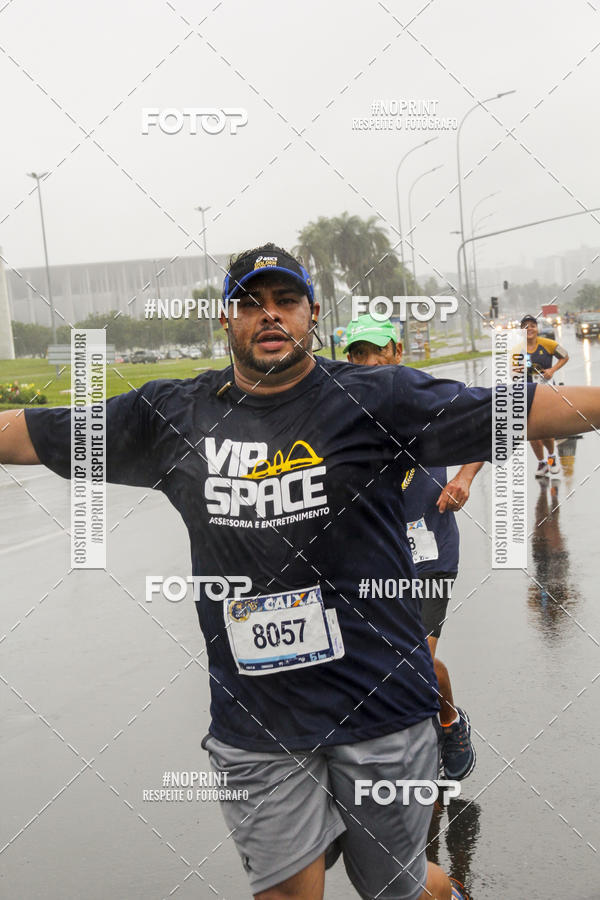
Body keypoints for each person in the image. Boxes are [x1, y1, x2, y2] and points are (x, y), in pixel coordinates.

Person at [2, 242, 599, 900]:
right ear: (224, 320)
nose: (270, 316)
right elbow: (37, 431)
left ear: (312, 313)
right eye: (250, 304)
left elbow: (513, 408)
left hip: (383, 711)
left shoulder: (377, 398)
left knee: (394, 887)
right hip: (257, 721)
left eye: (285, 301)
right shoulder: (173, 417)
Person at [343, 315, 483, 782]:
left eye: (375, 351)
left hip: (429, 555)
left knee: (415, 657)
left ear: (397, 352)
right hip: (374, 559)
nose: (367, 362)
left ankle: (449, 722)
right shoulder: (344, 413)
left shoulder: (426, 400)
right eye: (357, 353)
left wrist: (463, 478)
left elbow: (489, 425)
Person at [521, 313, 569, 477]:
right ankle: (542, 463)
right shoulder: (516, 348)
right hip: (526, 392)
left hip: (546, 392)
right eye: (526, 326)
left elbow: (565, 356)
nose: (529, 329)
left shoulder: (548, 344)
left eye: (532, 326)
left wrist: (552, 370)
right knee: (531, 432)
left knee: (546, 430)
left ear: (537, 328)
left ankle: (551, 458)